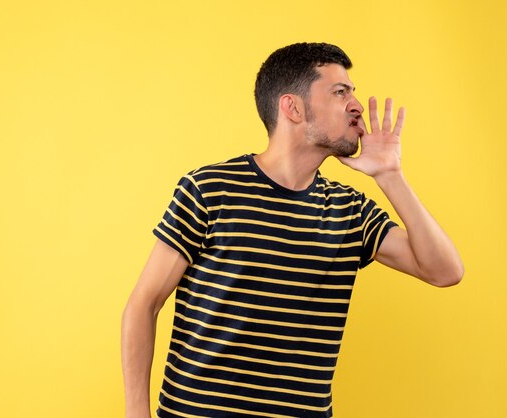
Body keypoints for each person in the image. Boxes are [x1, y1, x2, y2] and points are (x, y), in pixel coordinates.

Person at [121, 42, 464, 418]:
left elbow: (445, 271)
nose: (357, 105)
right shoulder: (210, 189)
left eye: (353, 91)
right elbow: (144, 303)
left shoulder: (350, 211)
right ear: (293, 107)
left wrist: (390, 176)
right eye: (340, 92)